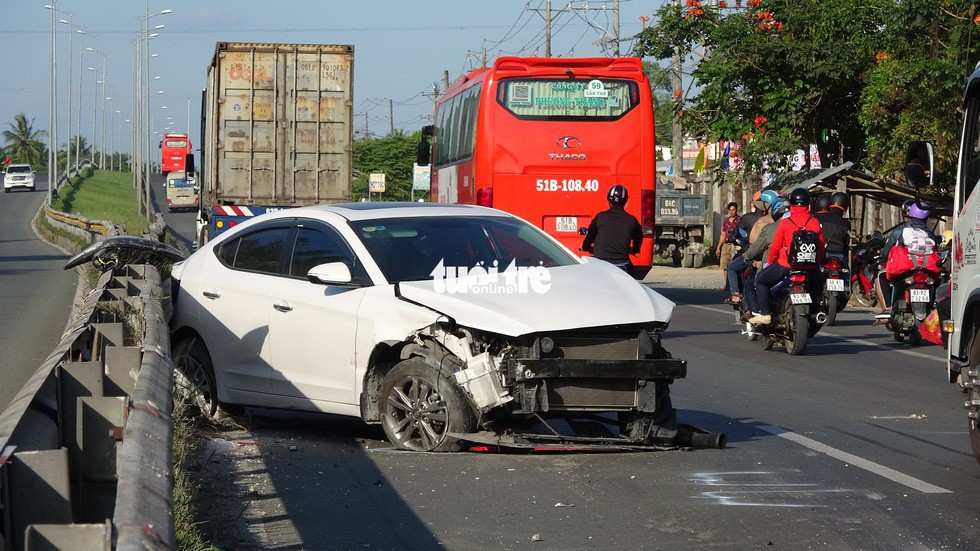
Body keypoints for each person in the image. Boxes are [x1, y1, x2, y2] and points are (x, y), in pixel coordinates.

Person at [749, 188, 825, 325]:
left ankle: (765, 314)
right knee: (818, 284)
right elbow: (820, 247)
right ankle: (815, 311)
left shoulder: (786, 222)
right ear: (808, 204)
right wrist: (817, 264)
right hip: (810, 267)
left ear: (791, 204)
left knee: (761, 280)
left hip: (786, 265)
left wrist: (770, 263)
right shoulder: (814, 222)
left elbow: (775, 247)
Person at [874, 200, 939, 321]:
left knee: (881, 276)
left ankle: (887, 309)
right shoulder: (930, 235)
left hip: (905, 269)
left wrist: (882, 257)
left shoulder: (900, 232)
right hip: (927, 269)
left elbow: (889, 251)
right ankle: (935, 305)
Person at [725, 190, 778, 303]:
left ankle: (736, 295)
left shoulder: (757, 220)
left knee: (733, 268)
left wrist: (748, 255)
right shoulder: (781, 220)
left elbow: (754, 244)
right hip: (778, 258)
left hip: (759, 255)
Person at [740, 196, 789, 317]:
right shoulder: (808, 223)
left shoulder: (771, 228)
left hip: (778, 265)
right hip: (803, 266)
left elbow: (758, 248)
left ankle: (760, 313)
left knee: (754, 283)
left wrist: (746, 256)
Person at [581, 184, 643, 277]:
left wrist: (586, 247)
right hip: (623, 264)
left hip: (600, 263)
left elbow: (590, 236)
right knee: (633, 280)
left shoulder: (600, 217)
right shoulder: (632, 220)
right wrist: (634, 250)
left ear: (608, 199)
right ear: (626, 200)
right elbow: (639, 238)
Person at [814, 191, 852, 263]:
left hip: (822, 252)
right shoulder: (846, 223)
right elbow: (846, 242)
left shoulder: (820, 218)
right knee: (845, 269)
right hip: (838, 254)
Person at [716, 201, 741, 290]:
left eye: (733, 210)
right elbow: (723, 234)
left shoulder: (740, 220)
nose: (732, 212)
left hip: (736, 245)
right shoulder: (726, 222)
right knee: (725, 265)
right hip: (726, 245)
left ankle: (735, 285)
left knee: (734, 264)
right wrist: (718, 247)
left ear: (736, 210)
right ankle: (727, 284)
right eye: (730, 210)